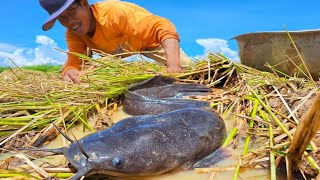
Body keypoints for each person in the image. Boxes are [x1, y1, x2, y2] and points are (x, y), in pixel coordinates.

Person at [39, 0, 191, 83]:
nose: (70, 22)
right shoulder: (74, 34)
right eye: (62, 18)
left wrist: (173, 66)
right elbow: (74, 63)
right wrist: (70, 71)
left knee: (188, 69)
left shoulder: (114, 13)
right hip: (113, 57)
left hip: (149, 43)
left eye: (71, 11)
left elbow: (162, 27)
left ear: (84, 3)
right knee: (82, 79)